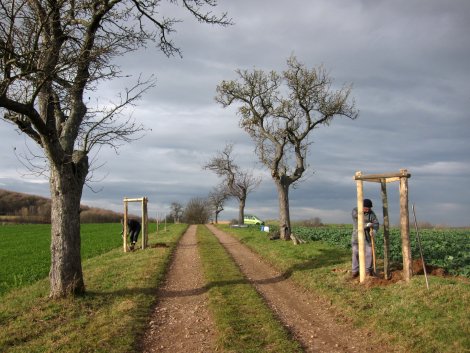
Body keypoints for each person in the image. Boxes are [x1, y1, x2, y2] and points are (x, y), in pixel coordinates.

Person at [351, 199, 379, 278]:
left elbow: (376, 223)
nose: (368, 210)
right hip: (357, 237)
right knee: (355, 253)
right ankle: (355, 271)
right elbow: (358, 224)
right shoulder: (355, 211)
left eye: (369, 208)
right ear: (362, 206)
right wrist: (367, 225)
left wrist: (374, 230)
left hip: (367, 237)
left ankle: (368, 271)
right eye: (366, 208)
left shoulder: (371, 213)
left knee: (369, 253)